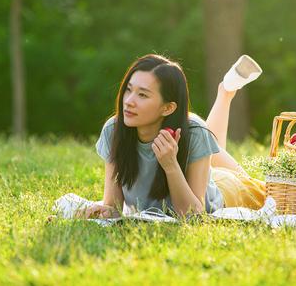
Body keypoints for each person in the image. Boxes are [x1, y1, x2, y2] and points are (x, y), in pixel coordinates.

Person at [84, 53, 266, 219]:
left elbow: (193, 215)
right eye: (128, 90)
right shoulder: (114, 130)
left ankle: (226, 91)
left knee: (258, 188)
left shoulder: (195, 133)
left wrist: (170, 165)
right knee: (208, 144)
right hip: (203, 173)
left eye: (142, 95)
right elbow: (113, 205)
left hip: (227, 190)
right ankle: (225, 90)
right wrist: (105, 211)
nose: (129, 101)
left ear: (168, 107)